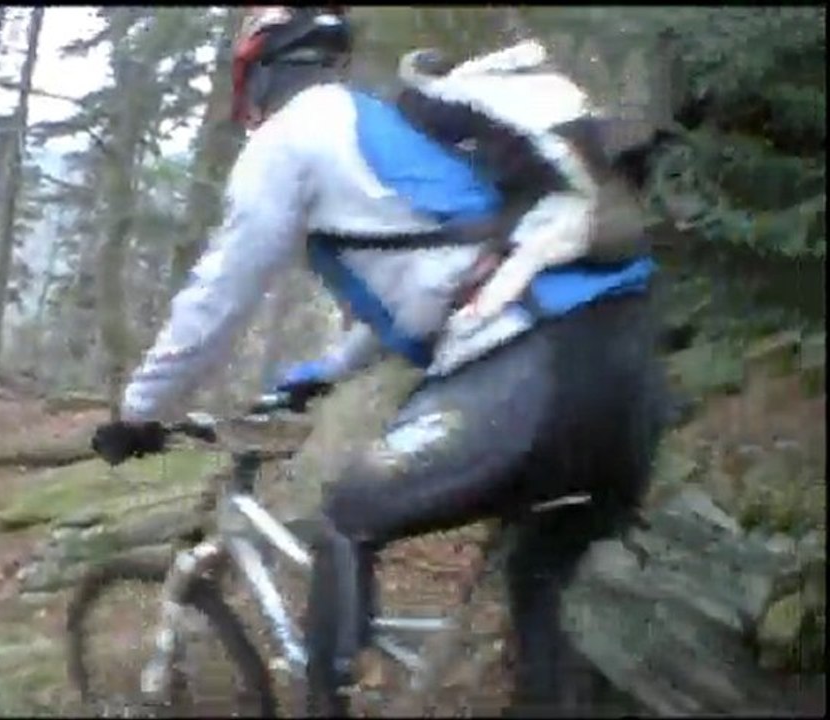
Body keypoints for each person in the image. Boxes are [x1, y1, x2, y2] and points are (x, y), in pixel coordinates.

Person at [91, 6, 666, 715]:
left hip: (536, 362)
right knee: (539, 583)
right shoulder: (376, 130)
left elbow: (218, 296)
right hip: (626, 372)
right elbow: (437, 275)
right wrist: (327, 370)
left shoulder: (291, 137)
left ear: (257, 76)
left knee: (345, 518)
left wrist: (138, 411)